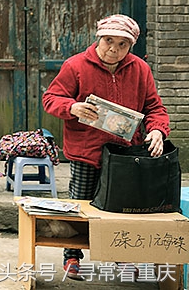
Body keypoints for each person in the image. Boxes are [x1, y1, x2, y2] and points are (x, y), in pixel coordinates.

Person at [42, 14, 170, 280]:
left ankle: (121, 257)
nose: (114, 49)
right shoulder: (76, 65)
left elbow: (154, 108)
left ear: (131, 46)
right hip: (85, 152)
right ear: (98, 39)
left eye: (122, 44)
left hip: (125, 154)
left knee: (121, 207)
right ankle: (72, 257)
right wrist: (72, 107)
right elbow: (51, 98)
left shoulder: (140, 69)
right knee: (81, 205)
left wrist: (158, 129)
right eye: (109, 41)